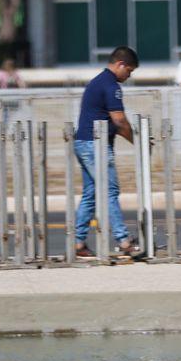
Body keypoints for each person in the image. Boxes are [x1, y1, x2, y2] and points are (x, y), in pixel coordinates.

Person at [72, 46, 139, 257]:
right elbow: (119, 120)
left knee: (91, 194)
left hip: (84, 142)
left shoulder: (98, 81)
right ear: (120, 64)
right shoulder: (111, 85)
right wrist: (138, 141)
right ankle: (123, 240)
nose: (128, 76)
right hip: (95, 145)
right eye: (129, 70)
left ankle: (78, 243)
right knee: (109, 191)